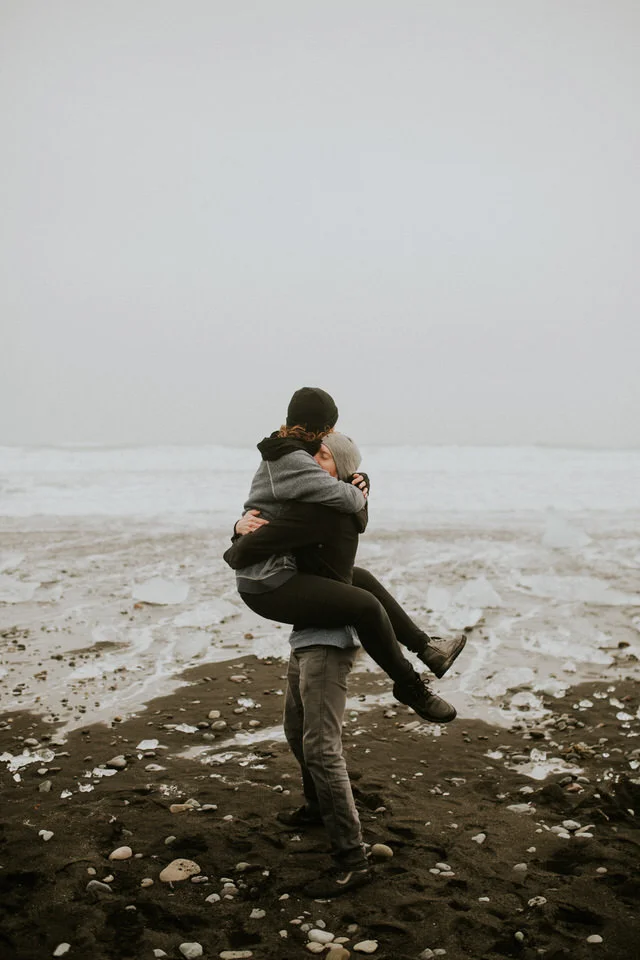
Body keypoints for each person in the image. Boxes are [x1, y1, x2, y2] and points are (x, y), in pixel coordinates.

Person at [223, 388, 465, 722]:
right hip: (266, 580)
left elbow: (355, 517)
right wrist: (358, 487)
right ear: (322, 427)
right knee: (364, 606)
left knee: (361, 578)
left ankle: (427, 648)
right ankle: (409, 685)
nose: (330, 439)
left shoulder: (291, 455)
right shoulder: (292, 462)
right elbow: (351, 504)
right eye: (329, 431)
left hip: (282, 568)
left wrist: (359, 481)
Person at [235, 436, 374, 898]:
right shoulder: (319, 505)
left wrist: (236, 546)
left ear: (341, 470)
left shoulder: (329, 511)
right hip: (308, 632)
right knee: (296, 729)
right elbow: (271, 522)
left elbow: (261, 542)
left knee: (319, 746)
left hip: (328, 639)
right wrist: (240, 524)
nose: (312, 462)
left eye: (324, 456)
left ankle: (352, 858)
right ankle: (317, 807)